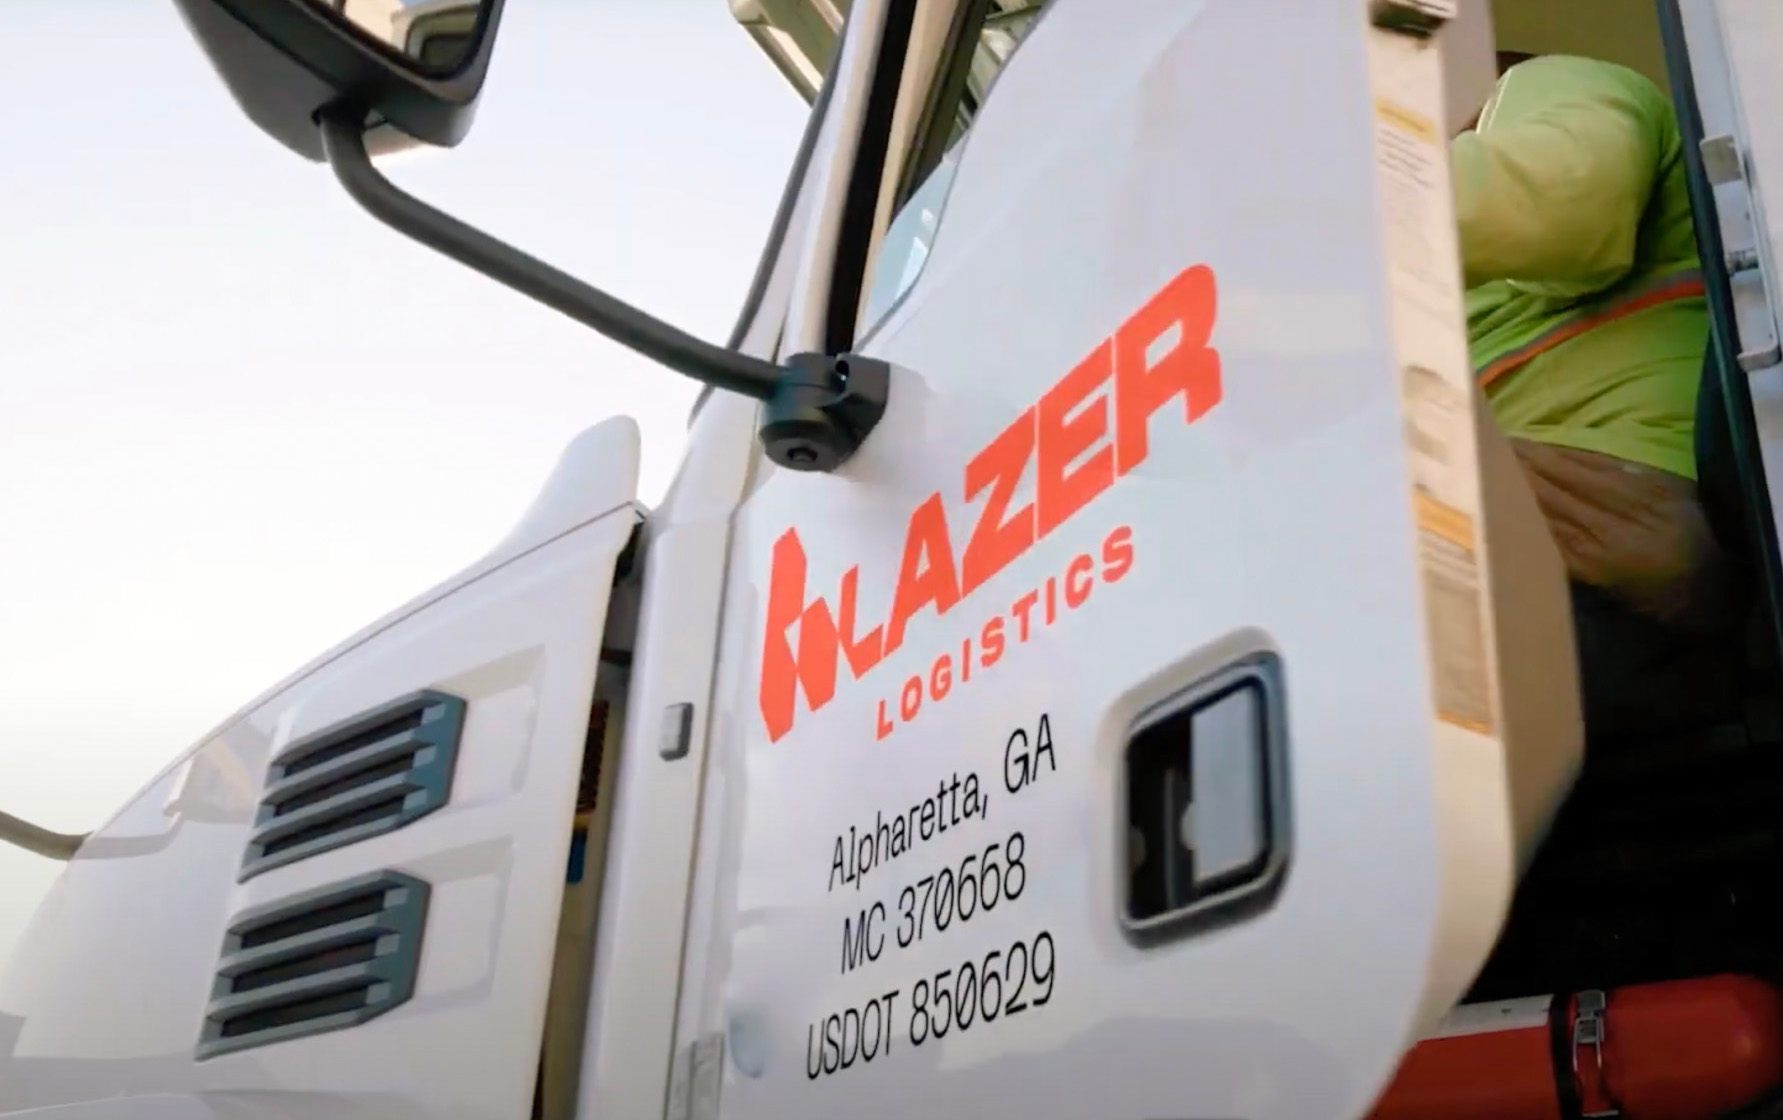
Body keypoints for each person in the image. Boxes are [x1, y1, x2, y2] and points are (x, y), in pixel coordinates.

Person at [1454, 51, 1744, 739]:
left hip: (1621, 523)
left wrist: (1336, 194)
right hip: (1595, 575)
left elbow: (1564, 202)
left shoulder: (1555, 79)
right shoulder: (1458, 295)